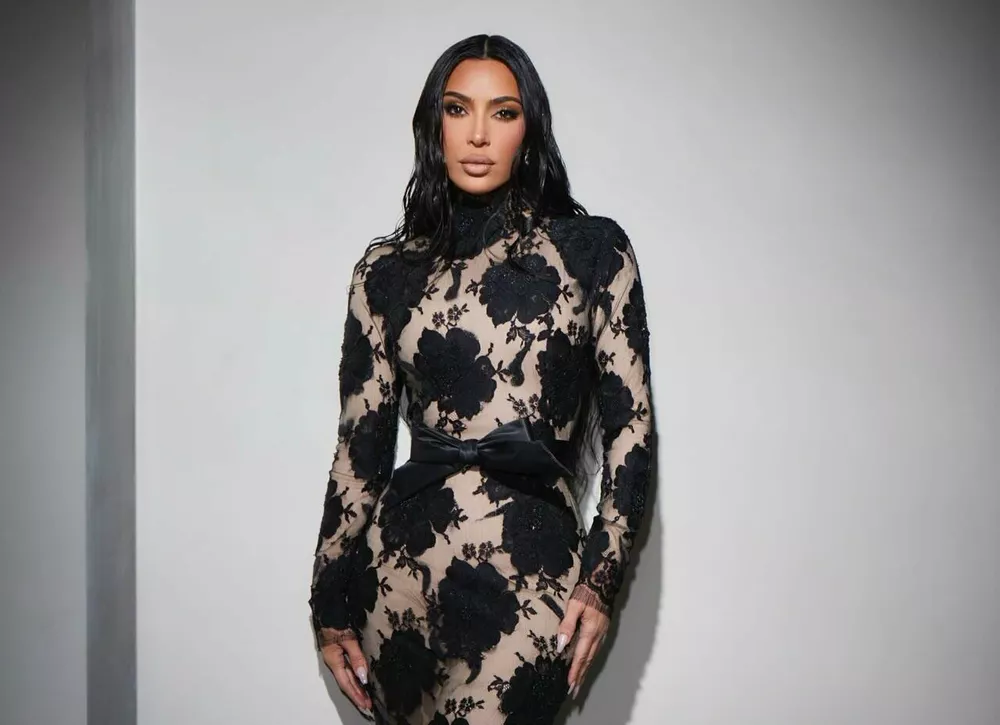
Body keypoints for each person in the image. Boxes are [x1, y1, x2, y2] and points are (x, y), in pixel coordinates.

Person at [309, 33, 654, 725]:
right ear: (432, 123)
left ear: (530, 129)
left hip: (532, 577)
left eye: (503, 112)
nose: (477, 134)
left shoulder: (592, 251)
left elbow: (632, 431)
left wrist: (599, 581)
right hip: (397, 578)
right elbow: (359, 451)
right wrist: (327, 599)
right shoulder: (385, 272)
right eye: (457, 108)